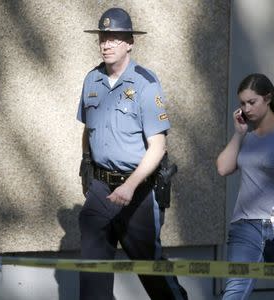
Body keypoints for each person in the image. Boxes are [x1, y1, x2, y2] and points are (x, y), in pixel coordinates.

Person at [77, 7, 188, 300]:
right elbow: (88, 130)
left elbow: (158, 146)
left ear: (129, 42)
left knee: (150, 268)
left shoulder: (145, 83)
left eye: (114, 37)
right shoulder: (92, 80)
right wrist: (86, 168)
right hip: (101, 188)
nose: (106, 43)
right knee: (91, 272)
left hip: (138, 190)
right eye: (103, 36)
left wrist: (130, 185)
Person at [217, 73, 274, 300]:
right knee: (234, 290)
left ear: (267, 99)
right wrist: (238, 134)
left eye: (252, 102)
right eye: (242, 103)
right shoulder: (246, 135)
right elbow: (223, 168)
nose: (247, 108)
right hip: (246, 226)